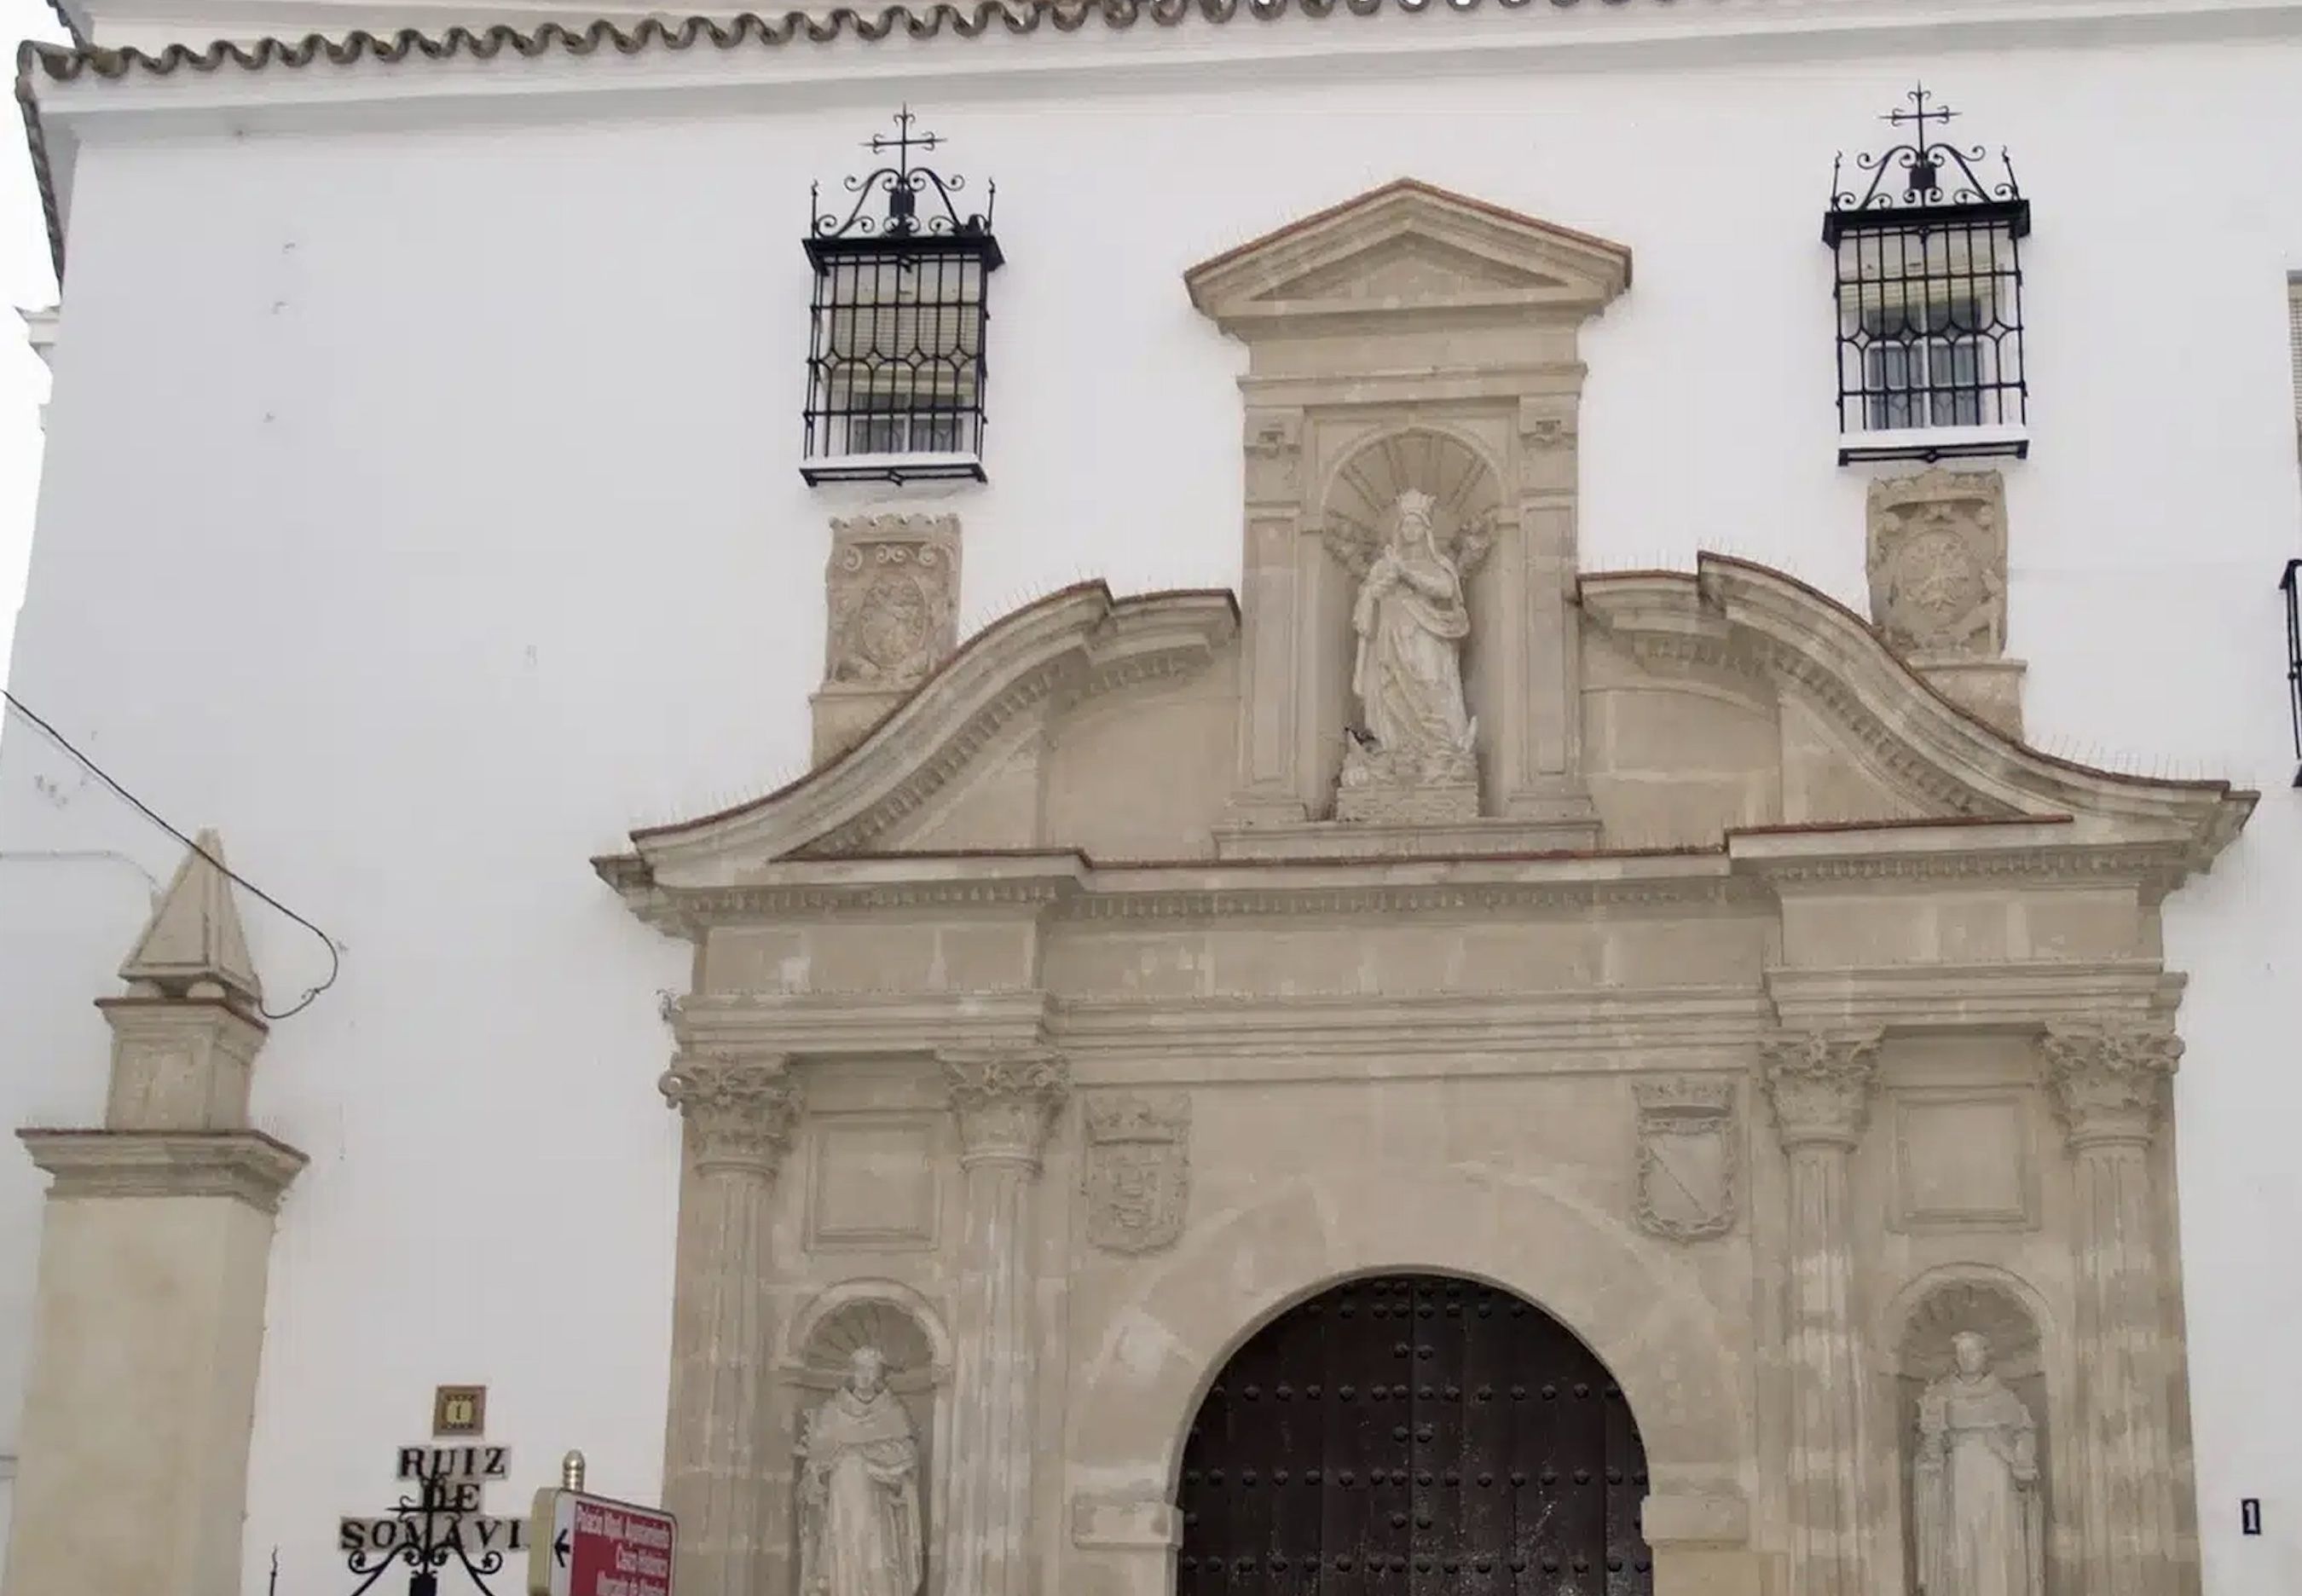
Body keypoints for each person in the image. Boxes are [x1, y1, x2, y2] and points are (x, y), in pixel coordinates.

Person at [1912, 1331, 2044, 1596]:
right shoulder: (1939, 1395)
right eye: (1961, 1353)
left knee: (1996, 1545)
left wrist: (2020, 1459)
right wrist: (1932, 1444)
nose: (1967, 1358)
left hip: (1997, 1481)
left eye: (1973, 1351)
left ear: (1986, 1355)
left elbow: (2025, 1434)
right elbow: (1930, 1447)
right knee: (1960, 1547)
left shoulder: (2005, 1398)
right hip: (1958, 1482)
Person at [796, 1348, 924, 1596]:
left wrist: (875, 1460)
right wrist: (821, 1469)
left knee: (877, 1553)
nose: (864, 1376)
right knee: (842, 1549)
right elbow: (816, 1459)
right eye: (860, 1369)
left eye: (870, 1369)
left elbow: (907, 1457)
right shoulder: (831, 1411)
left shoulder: (893, 1411)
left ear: (879, 1375)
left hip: (878, 1501)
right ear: (852, 1372)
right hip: (841, 1497)